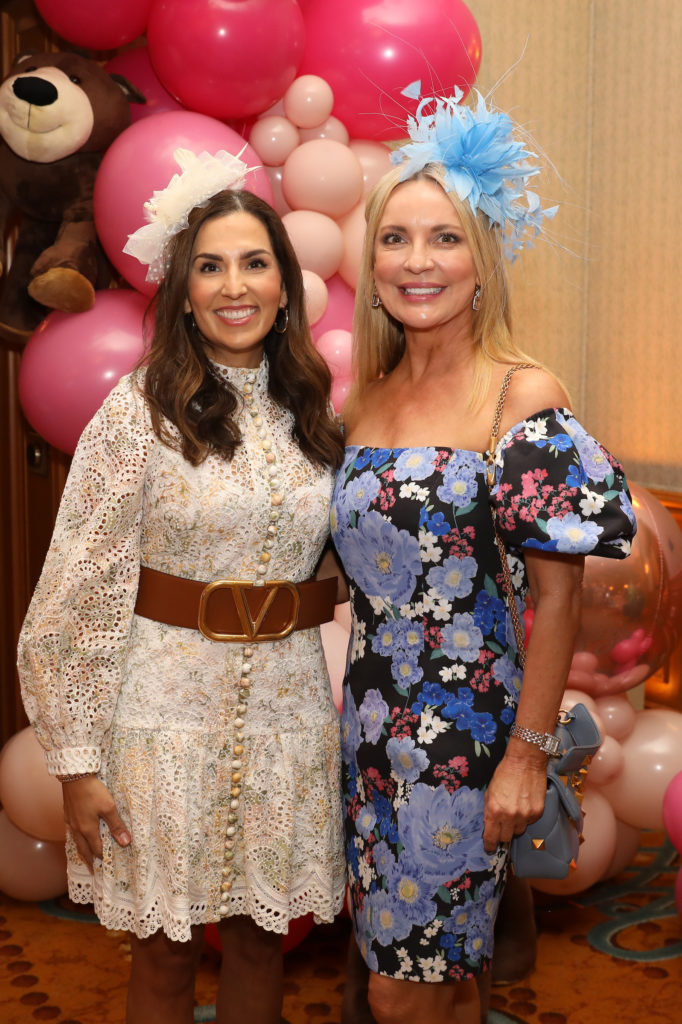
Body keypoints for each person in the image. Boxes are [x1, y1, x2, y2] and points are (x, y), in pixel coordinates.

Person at [17, 149, 347, 1024]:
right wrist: (77, 762)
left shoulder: (316, 412)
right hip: (161, 714)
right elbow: (74, 588)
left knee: (257, 943)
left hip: (288, 712)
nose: (233, 286)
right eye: (210, 266)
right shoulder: (138, 411)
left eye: (254, 261)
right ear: (183, 290)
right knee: (163, 952)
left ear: (284, 285)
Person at [329, 88, 637, 1024]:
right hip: (372, 728)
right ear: (370, 256)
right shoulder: (365, 401)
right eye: (396, 239)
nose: (417, 262)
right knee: (439, 976)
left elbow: (561, 593)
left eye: (445, 238)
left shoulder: (519, 395)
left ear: (483, 258)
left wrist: (526, 757)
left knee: (402, 989)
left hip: (467, 741)